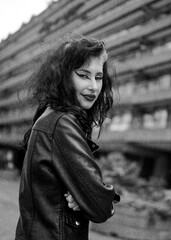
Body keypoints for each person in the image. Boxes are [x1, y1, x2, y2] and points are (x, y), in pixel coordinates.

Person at [15, 36, 120, 240]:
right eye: (83, 75)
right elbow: (100, 207)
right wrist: (90, 198)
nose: (93, 87)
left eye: (98, 77)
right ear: (64, 77)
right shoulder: (61, 124)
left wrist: (82, 194)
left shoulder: (50, 116)